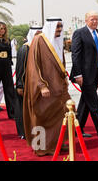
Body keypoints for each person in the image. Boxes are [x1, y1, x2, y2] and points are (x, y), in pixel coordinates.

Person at [23, 18, 70, 156]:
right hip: (45, 89)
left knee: (61, 116)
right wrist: (41, 85)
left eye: (61, 27)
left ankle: (57, 144)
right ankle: (41, 147)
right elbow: (33, 66)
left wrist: (64, 79)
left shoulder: (57, 41)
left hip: (58, 88)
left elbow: (61, 63)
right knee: (41, 118)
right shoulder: (39, 40)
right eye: (57, 27)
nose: (59, 30)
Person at [70, 11, 98, 143]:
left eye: (96, 19)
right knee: (94, 104)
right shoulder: (79, 33)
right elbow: (75, 55)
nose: (95, 21)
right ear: (86, 20)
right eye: (92, 19)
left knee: (85, 102)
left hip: (97, 73)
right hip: (84, 75)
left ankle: (76, 130)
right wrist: (78, 74)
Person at [14, 26, 42, 140]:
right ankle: (23, 132)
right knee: (22, 109)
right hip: (25, 85)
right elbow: (20, 69)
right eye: (37, 33)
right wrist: (20, 85)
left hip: (35, 85)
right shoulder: (25, 49)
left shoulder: (38, 47)